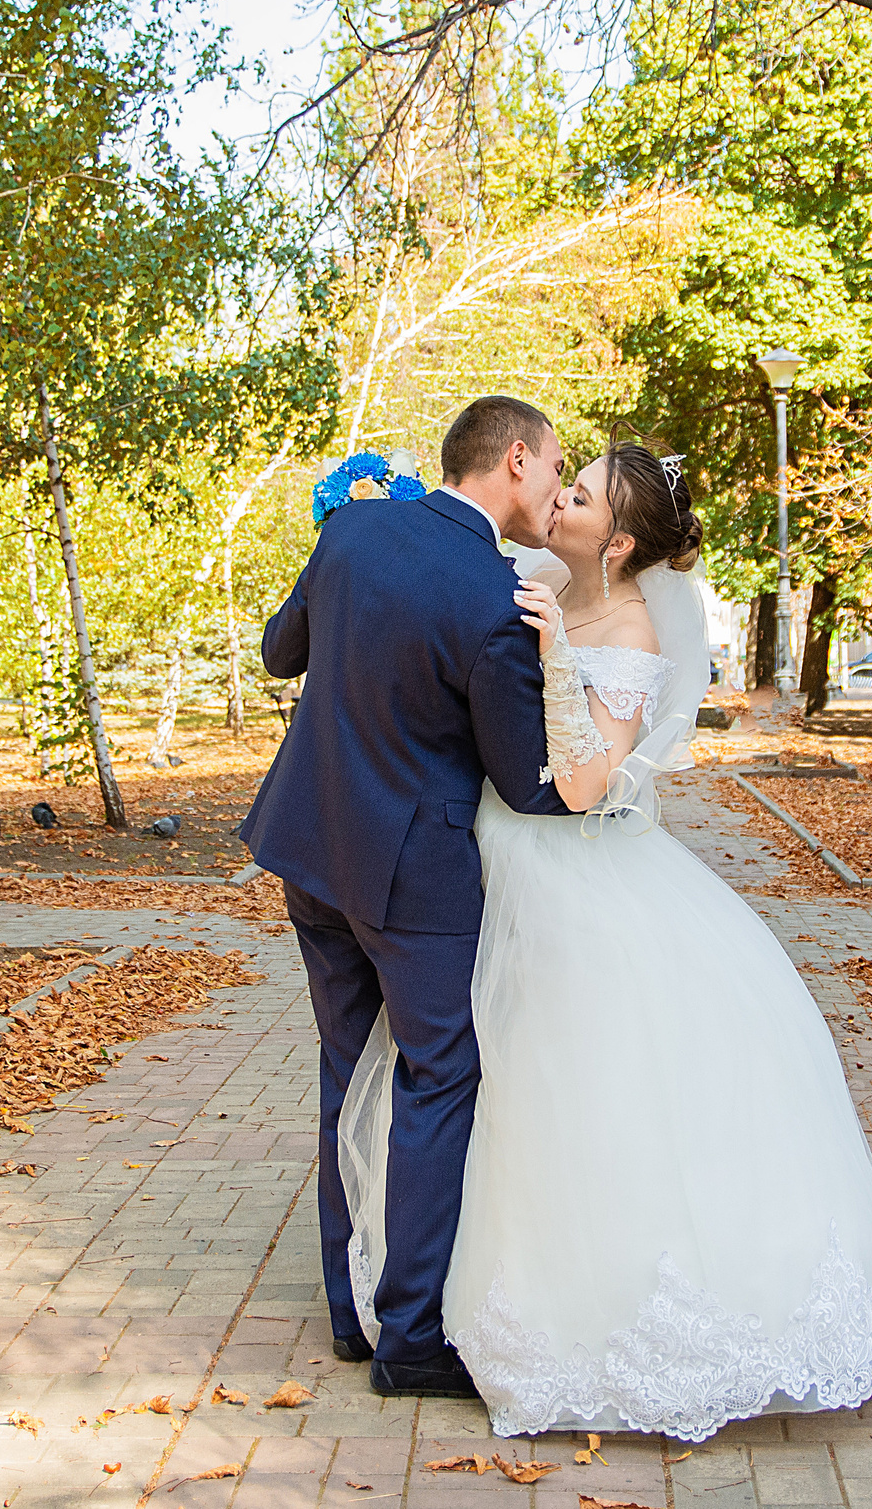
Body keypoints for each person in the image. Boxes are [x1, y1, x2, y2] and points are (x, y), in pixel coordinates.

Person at [337, 442, 872, 1441]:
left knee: (577, 1086)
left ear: (622, 539)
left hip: (576, 872)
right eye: (567, 480)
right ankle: (437, 1301)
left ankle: (612, 1312)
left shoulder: (631, 627)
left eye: (583, 493)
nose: (560, 496)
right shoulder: (525, 572)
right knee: (483, 1076)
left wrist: (556, 651)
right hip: (490, 860)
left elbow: (587, 785)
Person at [239, 395, 570, 1400]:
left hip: (310, 849)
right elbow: (527, 786)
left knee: (349, 1067)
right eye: (556, 469)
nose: (558, 490)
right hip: (412, 880)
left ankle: (352, 1313)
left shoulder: (356, 529)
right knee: (439, 1076)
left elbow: (279, 651)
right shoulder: (495, 599)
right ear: (514, 460)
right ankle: (412, 1336)